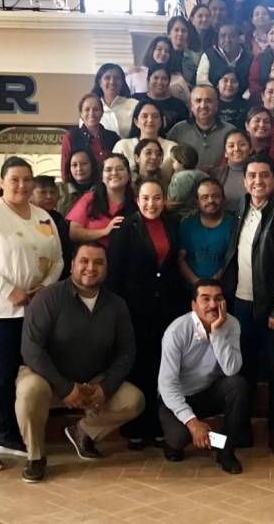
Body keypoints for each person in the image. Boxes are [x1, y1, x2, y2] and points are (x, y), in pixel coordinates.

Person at [0, 157, 63, 472]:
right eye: (14, 179)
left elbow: (58, 259)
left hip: (32, 310)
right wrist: (8, 291)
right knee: (2, 374)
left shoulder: (42, 216)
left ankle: (7, 435)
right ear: (1, 182)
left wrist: (46, 287)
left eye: (27, 179)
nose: (21, 185)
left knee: (19, 372)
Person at [16, 241, 145, 482]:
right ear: (72, 265)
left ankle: (84, 432)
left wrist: (106, 387)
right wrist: (64, 387)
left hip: (92, 382)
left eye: (98, 262)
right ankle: (35, 457)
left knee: (133, 400)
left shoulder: (116, 305)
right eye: (84, 261)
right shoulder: (48, 298)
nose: (91, 268)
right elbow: (31, 350)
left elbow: (126, 352)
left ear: (106, 268)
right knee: (29, 390)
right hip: (47, 379)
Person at [224, 155, 274, 457]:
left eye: (264, 175)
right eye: (252, 176)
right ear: (244, 181)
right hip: (241, 304)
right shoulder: (240, 207)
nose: (258, 181)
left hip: (270, 309)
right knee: (245, 370)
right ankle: (242, 429)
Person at [106, 178, 186, 450]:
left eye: (157, 198)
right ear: (137, 200)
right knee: (137, 366)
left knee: (161, 367)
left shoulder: (172, 224)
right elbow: (114, 274)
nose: (152, 204)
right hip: (134, 310)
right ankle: (135, 429)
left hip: (166, 310)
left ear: (164, 199)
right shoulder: (125, 227)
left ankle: (158, 425)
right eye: (146, 198)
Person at [158, 280, 247, 474]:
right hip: (178, 398)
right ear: (194, 305)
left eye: (218, 298)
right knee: (179, 439)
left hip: (208, 392)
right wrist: (193, 423)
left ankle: (226, 451)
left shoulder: (231, 324)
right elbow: (166, 386)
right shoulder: (177, 331)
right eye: (205, 299)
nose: (213, 305)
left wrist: (216, 332)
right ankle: (179, 440)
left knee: (237, 385)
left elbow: (231, 369)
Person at [66, 154, 134, 247]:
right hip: (94, 255)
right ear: (102, 177)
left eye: (120, 169)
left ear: (129, 175)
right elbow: (73, 233)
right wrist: (104, 231)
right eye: (108, 170)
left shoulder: (138, 202)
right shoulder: (89, 199)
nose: (114, 173)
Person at [178, 178, 237, 285]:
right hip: (191, 288)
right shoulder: (187, 224)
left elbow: (233, 260)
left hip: (224, 286)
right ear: (197, 202)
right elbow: (180, 259)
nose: (210, 200)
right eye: (204, 197)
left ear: (223, 198)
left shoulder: (234, 225)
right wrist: (196, 282)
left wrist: (214, 283)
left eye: (215, 196)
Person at [168, 85, 237, 173]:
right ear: (191, 105)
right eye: (198, 101)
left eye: (208, 101)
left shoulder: (230, 131)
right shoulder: (178, 130)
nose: (203, 105)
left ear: (217, 105)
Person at [112, 100, 177, 180]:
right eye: (144, 116)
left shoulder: (171, 147)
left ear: (161, 122)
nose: (150, 120)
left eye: (155, 116)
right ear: (136, 122)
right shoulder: (122, 146)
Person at [61, 93, 119, 175]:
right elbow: (65, 172)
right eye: (87, 110)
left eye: (96, 109)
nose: (91, 113)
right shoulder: (71, 137)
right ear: (81, 114)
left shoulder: (113, 137)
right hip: (81, 183)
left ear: (102, 113)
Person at [31, 176, 72, 280]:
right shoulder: (27, 218)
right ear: (30, 195)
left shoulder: (58, 218)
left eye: (52, 192)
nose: (49, 196)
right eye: (43, 192)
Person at [127, 36, 191, 103]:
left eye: (167, 51)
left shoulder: (178, 79)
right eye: (159, 49)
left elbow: (189, 102)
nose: (163, 53)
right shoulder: (137, 73)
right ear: (152, 51)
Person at [131, 65, 190, 136]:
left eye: (164, 79)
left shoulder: (179, 106)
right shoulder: (135, 99)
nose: (160, 82)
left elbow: (184, 131)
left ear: (169, 82)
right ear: (148, 79)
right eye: (156, 78)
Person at [196, 22, 252, 95]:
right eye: (222, 36)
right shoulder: (208, 56)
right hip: (214, 98)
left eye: (232, 36)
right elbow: (202, 81)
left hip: (243, 99)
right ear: (218, 39)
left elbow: (252, 83)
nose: (227, 40)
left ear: (239, 38)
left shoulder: (249, 58)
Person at [90, 63, 137, 138]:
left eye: (117, 78)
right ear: (100, 83)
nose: (112, 82)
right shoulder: (91, 107)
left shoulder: (134, 105)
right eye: (107, 78)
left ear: (122, 83)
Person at [167, 144, 208, 216]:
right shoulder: (199, 173)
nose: (172, 164)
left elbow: (175, 201)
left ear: (182, 162)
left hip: (183, 214)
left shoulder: (182, 178)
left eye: (173, 161)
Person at [216, 130, 251, 212]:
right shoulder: (215, 174)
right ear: (225, 152)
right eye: (231, 146)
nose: (237, 149)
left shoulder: (260, 173)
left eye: (242, 144)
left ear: (250, 149)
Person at [58, 149, 99, 216]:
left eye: (84, 164)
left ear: (92, 165)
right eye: (74, 165)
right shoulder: (59, 189)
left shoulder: (102, 190)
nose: (79, 169)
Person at [168, 16, 201, 94]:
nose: (180, 34)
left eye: (183, 31)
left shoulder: (195, 58)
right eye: (176, 30)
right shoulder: (163, 55)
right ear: (169, 34)